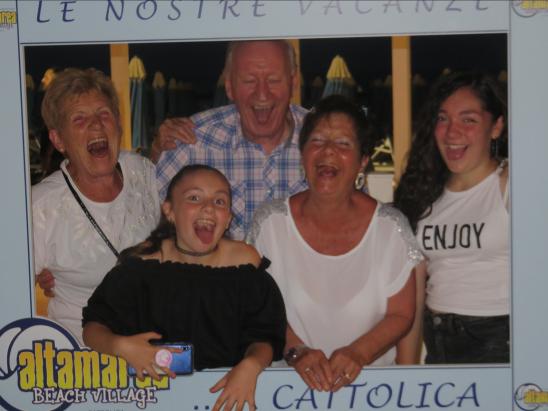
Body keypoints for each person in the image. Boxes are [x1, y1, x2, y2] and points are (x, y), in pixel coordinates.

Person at [247, 95, 421, 392]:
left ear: (363, 161)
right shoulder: (270, 224)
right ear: (303, 155)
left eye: (343, 143)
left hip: (372, 392)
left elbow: (401, 314)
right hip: (286, 391)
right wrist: (297, 351)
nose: (328, 151)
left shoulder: (389, 227)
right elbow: (254, 306)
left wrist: (358, 353)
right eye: (317, 141)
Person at [82, 165, 286, 411]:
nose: (208, 207)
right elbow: (93, 328)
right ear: (169, 211)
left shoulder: (246, 269)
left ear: (228, 219)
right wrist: (120, 346)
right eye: (194, 198)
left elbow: (265, 337)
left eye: (219, 201)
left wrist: (252, 365)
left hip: (226, 397)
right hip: (152, 399)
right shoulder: (139, 269)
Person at [33, 68, 160, 344]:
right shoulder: (40, 206)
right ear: (58, 140)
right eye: (79, 118)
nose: (96, 125)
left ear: (119, 124)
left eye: (104, 114)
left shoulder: (144, 173)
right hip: (81, 358)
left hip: (152, 349)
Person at [394, 71, 509, 364]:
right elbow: (414, 295)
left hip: (500, 342)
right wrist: (406, 371)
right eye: (443, 118)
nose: (452, 132)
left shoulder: (510, 184)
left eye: (468, 120)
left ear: (496, 126)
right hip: (438, 344)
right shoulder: (423, 192)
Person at [153, 40, 308, 240]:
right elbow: (149, 219)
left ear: (293, 83)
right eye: (249, 81)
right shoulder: (191, 142)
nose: (262, 94)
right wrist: (155, 153)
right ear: (229, 87)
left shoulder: (325, 143)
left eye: (274, 80)